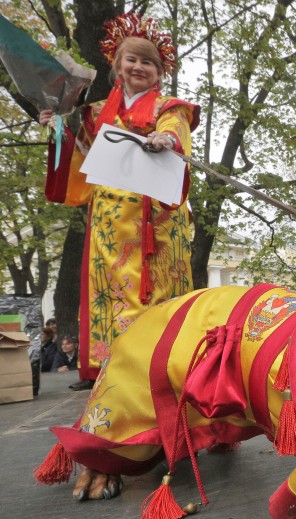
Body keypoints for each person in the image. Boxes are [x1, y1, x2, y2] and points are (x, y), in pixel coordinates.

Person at [39, 12, 199, 391]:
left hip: (154, 218)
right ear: (117, 66)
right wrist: (58, 125)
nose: (139, 66)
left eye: (148, 62)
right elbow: (84, 153)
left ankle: (161, 363)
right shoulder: (95, 113)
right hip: (109, 220)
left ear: (159, 73)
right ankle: (108, 364)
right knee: (107, 289)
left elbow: (176, 129)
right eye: (132, 59)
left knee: (156, 290)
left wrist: (167, 140)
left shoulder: (167, 107)